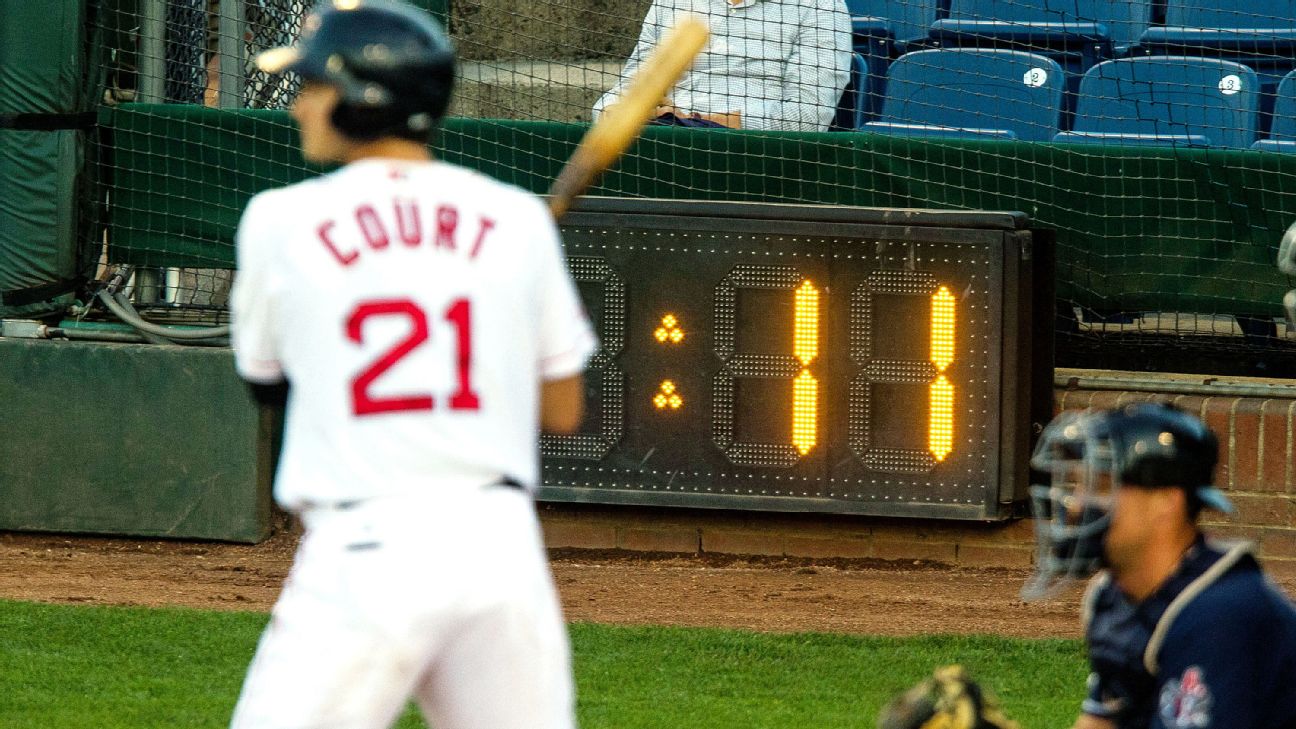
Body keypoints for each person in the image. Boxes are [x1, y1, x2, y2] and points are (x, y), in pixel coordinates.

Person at [227, 1, 597, 727]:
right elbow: (562, 411)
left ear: (361, 100)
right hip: (499, 549)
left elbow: (265, 382)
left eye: (313, 86)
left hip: (365, 551)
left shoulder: (278, 218)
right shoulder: (516, 219)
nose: (301, 103)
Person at [1023, 402, 1296, 729]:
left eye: (1102, 486)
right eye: (1079, 486)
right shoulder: (1116, 597)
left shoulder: (1221, 616)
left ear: (1166, 502)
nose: (1079, 504)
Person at [593, 0, 851, 131]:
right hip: (663, 140)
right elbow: (622, 91)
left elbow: (807, 119)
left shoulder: (820, 6)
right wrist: (623, 111)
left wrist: (695, 122)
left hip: (753, 159)